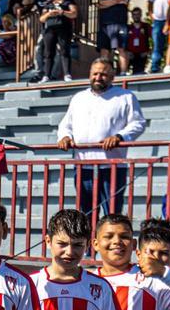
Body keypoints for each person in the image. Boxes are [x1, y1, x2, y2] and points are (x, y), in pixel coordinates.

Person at [56, 58, 146, 216]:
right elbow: (65, 125)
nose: (98, 77)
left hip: (111, 167)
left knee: (112, 215)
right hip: (83, 166)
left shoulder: (125, 97)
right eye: (95, 73)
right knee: (86, 214)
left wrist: (119, 136)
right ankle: (89, 242)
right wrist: (65, 136)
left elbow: (138, 123)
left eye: (103, 74)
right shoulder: (79, 98)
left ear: (112, 77)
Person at [38, 0, 77, 82]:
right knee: (48, 53)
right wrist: (49, 13)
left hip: (64, 29)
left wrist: (62, 12)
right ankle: (46, 75)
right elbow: (41, 19)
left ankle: (67, 74)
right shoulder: (49, 3)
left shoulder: (68, 1)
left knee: (64, 51)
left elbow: (74, 14)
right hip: (49, 30)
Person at [97, 0, 132, 74]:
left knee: (121, 48)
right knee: (104, 50)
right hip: (104, 24)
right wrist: (117, 1)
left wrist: (112, 1)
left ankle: (123, 73)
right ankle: (104, 72)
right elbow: (100, 4)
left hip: (119, 22)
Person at [125, 7, 150, 75]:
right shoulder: (128, 28)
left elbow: (153, 38)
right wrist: (127, 52)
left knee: (140, 73)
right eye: (134, 14)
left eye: (138, 14)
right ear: (132, 16)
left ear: (141, 15)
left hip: (142, 54)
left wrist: (148, 51)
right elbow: (124, 41)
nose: (136, 16)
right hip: (131, 54)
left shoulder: (146, 26)